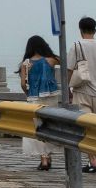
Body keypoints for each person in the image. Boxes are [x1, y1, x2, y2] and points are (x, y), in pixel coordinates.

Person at [67, 17, 96, 172]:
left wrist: (67, 87)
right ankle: (95, 160)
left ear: (80, 29)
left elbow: (69, 69)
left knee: (85, 128)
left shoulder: (76, 46)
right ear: (95, 30)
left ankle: (93, 161)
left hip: (82, 90)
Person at [19, 35, 63, 170]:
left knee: (38, 127)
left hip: (34, 98)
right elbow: (67, 63)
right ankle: (48, 155)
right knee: (49, 126)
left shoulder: (26, 64)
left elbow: (23, 84)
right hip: (51, 97)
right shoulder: (51, 60)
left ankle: (44, 159)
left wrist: (29, 94)